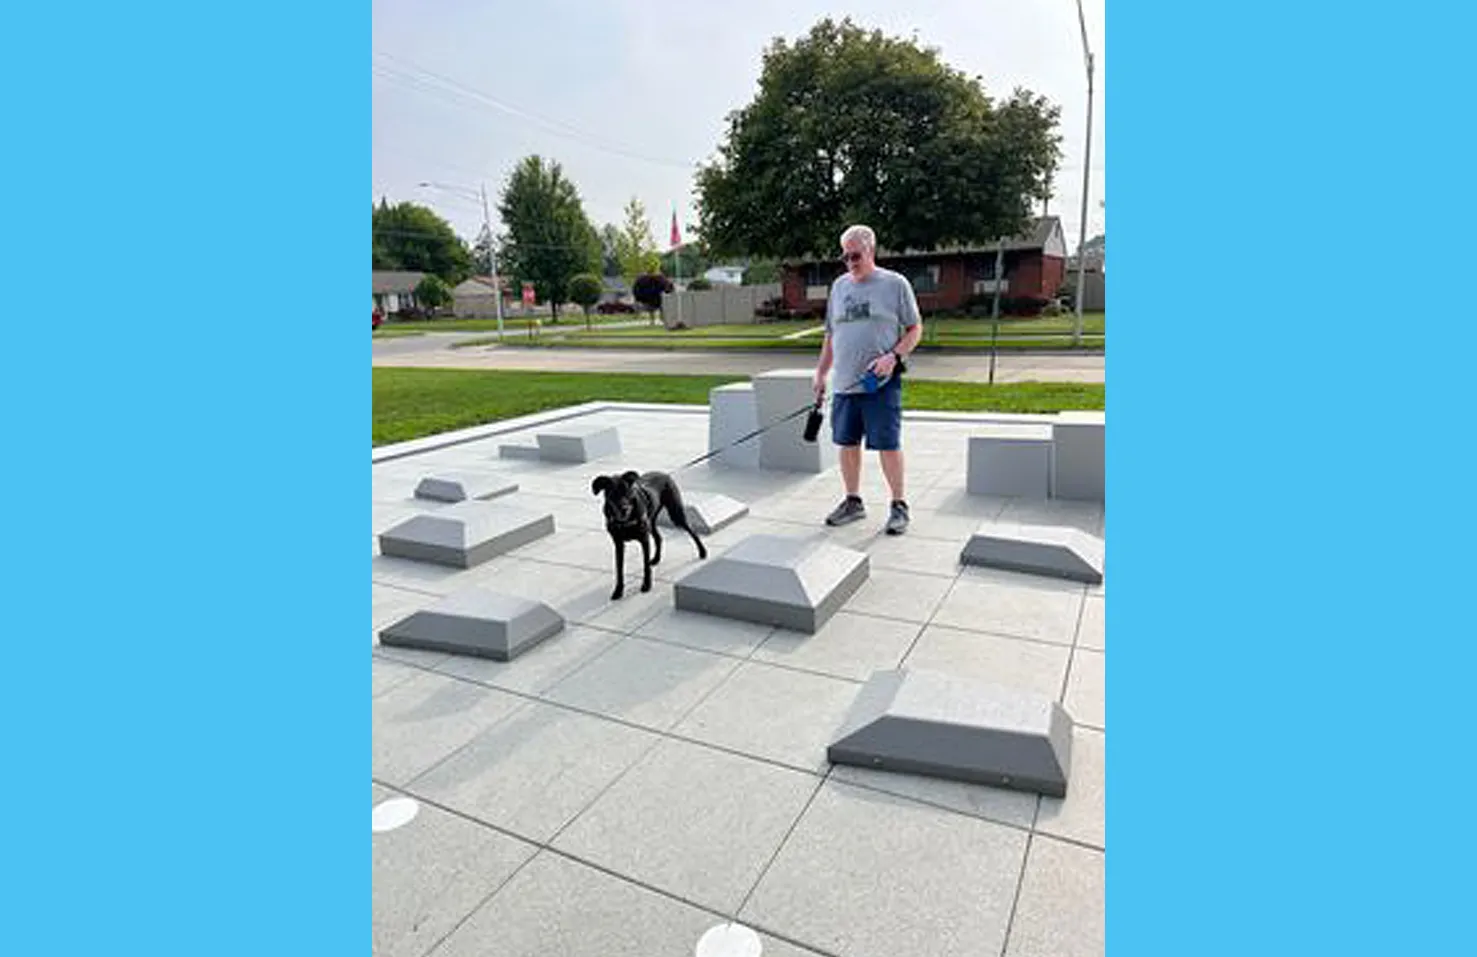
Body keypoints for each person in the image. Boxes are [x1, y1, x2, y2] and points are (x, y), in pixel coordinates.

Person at [812, 224, 924, 535]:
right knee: (847, 443)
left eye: (855, 255)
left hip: (880, 384)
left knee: (887, 444)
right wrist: (821, 373)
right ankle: (853, 501)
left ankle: (899, 505)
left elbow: (915, 329)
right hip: (845, 383)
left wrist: (894, 357)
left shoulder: (895, 284)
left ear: (871, 251)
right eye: (845, 257)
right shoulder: (839, 287)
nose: (850, 262)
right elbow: (831, 335)